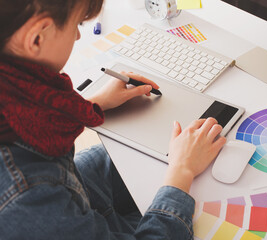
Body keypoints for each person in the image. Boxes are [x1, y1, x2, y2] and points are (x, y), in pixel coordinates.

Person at [0, 0, 226, 239]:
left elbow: (42, 120)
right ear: (36, 38)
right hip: (56, 213)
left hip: (73, 191)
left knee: (146, 149)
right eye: (77, 24)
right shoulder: (28, 196)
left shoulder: (17, 96)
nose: (78, 36)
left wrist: (94, 104)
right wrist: (182, 171)